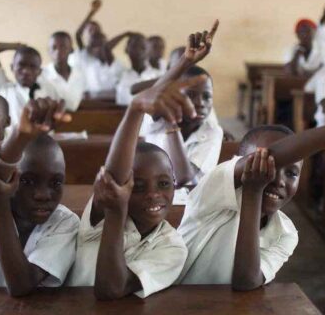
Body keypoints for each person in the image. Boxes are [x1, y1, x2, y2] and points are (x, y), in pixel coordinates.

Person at [178, 111, 325, 288]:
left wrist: (253, 194)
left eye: (291, 172)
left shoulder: (286, 233)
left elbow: (246, 281)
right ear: (237, 164)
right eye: (267, 167)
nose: (278, 180)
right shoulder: (212, 189)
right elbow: (271, 157)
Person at [66, 22, 218, 299]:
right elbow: (117, 175)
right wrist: (182, 64)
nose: (153, 196)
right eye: (137, 187)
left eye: (163, 184)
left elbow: (112, 289)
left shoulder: (172, 247)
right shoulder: (102, 211)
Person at [0, 98, 78, 296]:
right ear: (10, 178)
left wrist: (0, 210)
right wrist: (20, 135)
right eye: (28, 181)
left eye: (56, 183)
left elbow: (22, 284)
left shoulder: (64, 222)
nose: (42, 195)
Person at [144, 65, 223, 184]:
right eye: (190, 95)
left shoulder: (212, 131)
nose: (200, 103)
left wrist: (172, 124)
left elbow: (183, 177)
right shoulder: (155, 121)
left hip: (190, 199)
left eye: (207, 97)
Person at [0, 42, 59, 125]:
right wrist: (16, 46)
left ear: (39, 71)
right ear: (12, 67)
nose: (26, 71)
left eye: (32, 66)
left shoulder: (49, 90)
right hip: (14, 138)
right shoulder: (4, 88)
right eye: (21, 65)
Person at [40, 31, 86, 111]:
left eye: (63, 47)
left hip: (80, 118)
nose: (58, 51)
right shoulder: (42, 75)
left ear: (71, 50)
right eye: (54, 48)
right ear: (49, 51)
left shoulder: (80, 74)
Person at [116, 33, 162, 105]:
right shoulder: (120, 74)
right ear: (127, 50)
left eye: (143, 48)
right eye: (134, 47)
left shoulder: (157, 75)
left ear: (148, 51)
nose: (138, 51)